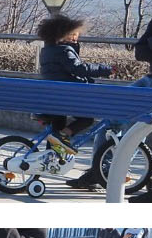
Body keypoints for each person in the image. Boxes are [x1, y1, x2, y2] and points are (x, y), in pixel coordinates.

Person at [36, 13, 115, 190]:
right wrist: (105, 69)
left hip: (53, 98)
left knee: (56, 129)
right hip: (67, 97)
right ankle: (62, 139)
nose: (76, 35)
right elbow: (79, 68)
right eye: (74, 33)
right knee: (87, 119)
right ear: (64, 34)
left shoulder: (47, 50)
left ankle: (51, 159)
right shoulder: (64, 50)